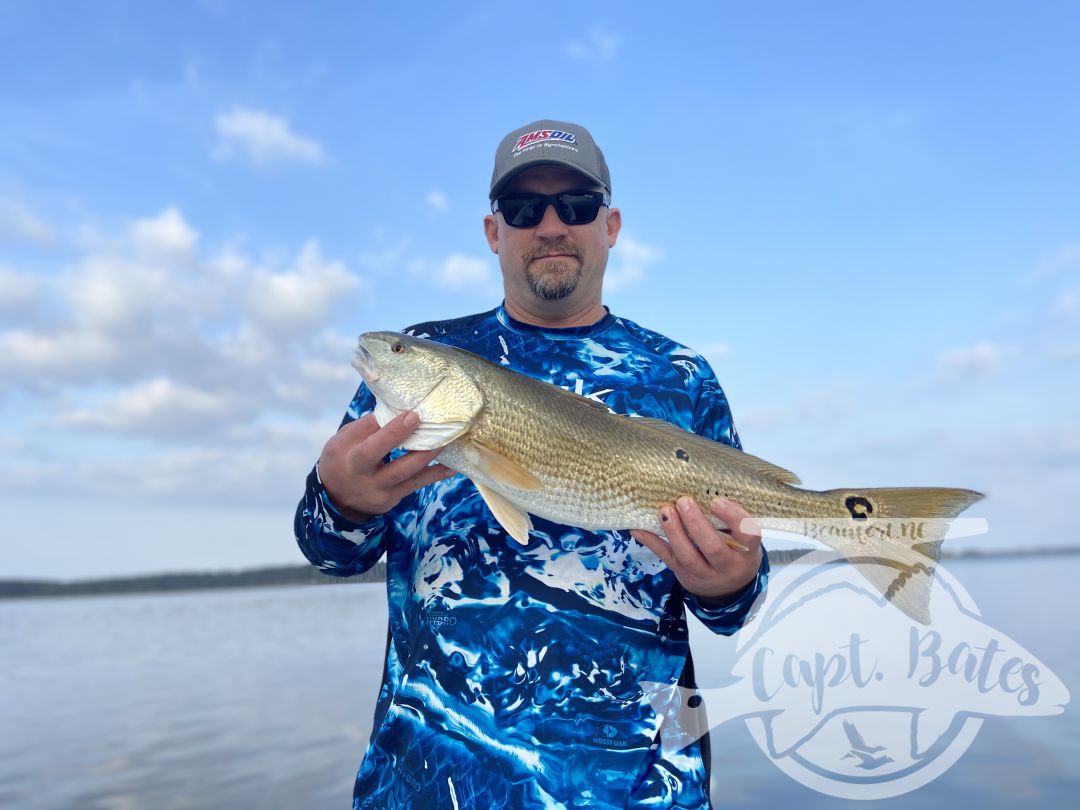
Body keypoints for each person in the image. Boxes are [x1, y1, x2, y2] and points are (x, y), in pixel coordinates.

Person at [295, 119, 769, 810]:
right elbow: (329, 553)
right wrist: (340, 500)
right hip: (430, 784)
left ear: (610, 225)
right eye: (524, 209)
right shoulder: (422, 361)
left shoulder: (682, 377)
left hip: (639, 791)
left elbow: (735, 608)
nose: (550, 225)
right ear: (495, 232)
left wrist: (733, 581)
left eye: (574, 206)